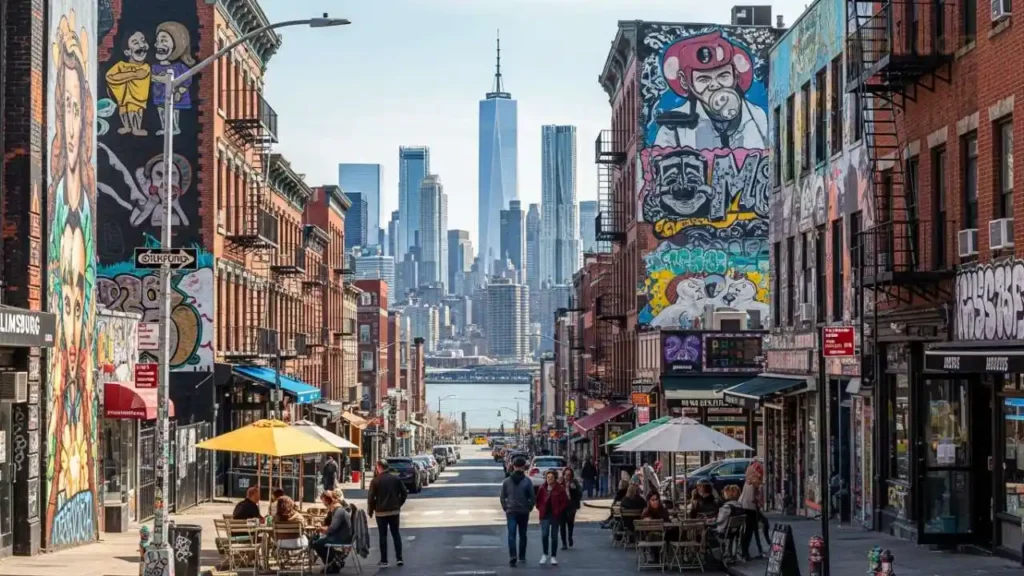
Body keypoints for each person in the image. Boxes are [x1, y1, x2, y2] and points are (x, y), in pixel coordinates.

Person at [367, 459, 408, 567]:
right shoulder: (396, 479)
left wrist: (370, 510)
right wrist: (398, 504)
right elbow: (404, 493)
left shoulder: (375, 481)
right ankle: (399, 559)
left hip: (381, 513)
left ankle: (384, 560)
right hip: (394, 511)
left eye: (376, 467)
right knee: (396, 534)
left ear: (379, 467)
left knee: (383, 536)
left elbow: (370, 498)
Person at [500, 456, 535, 567]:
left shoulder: (507, 481)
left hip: (512, 511)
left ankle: (513, 556)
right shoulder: (527, 481)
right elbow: (532, 497)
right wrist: (529, 507)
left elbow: (502, 497)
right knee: (522, 534)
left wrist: (506, 507)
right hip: (522, 512)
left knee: (512, 534)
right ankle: (521, 556)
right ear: (524, 467)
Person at [311, 491, 353, 573]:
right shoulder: (336, 510)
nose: (323, 504)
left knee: (317, 543)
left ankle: (334, 562)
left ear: (327, 501)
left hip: (341, 538)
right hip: (339, 535)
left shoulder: (338, 511)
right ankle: (333, 561)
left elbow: (332, 528)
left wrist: (321, 528)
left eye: (323, 501)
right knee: (316, 540)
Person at [535, 470, 568, 566]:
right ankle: (544, 554)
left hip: (555, 516)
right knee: (544, 535)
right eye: (548, 477)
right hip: (545, 515)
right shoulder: (542, 488)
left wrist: (559, 510)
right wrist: (540, 509)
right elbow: (538, 501)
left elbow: (565, 502)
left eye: (552, 477)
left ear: (555, 478)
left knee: (554, 536)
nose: (550, 479)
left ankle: (553, 556)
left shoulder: (560, 489)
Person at [740, 465, 770, 559]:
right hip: (750, 509)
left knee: (753, 530)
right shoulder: (753, 482)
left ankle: (748, 552)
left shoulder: (748, 480)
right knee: (754, 529)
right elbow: (753, 498)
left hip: (747, 508)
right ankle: (749, 552)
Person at [715, 485, 748, 558]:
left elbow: (719, 521)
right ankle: (729, 553)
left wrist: (713, 520)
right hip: (735, 531)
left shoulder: (727, 507)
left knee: (708, 530)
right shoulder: (739, 505)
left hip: (724, 531)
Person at [560, 468, 582, 550]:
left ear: (571, 475)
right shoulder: (560, 482)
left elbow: (579, 495)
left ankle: (570, 537)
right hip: (562, 506)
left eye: (569, 475)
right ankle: (564, 543)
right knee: (562, 525)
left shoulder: (574, 483)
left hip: (571, 505)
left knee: (570, 523)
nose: (567, 477)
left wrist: (575, 489)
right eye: (566, 474)